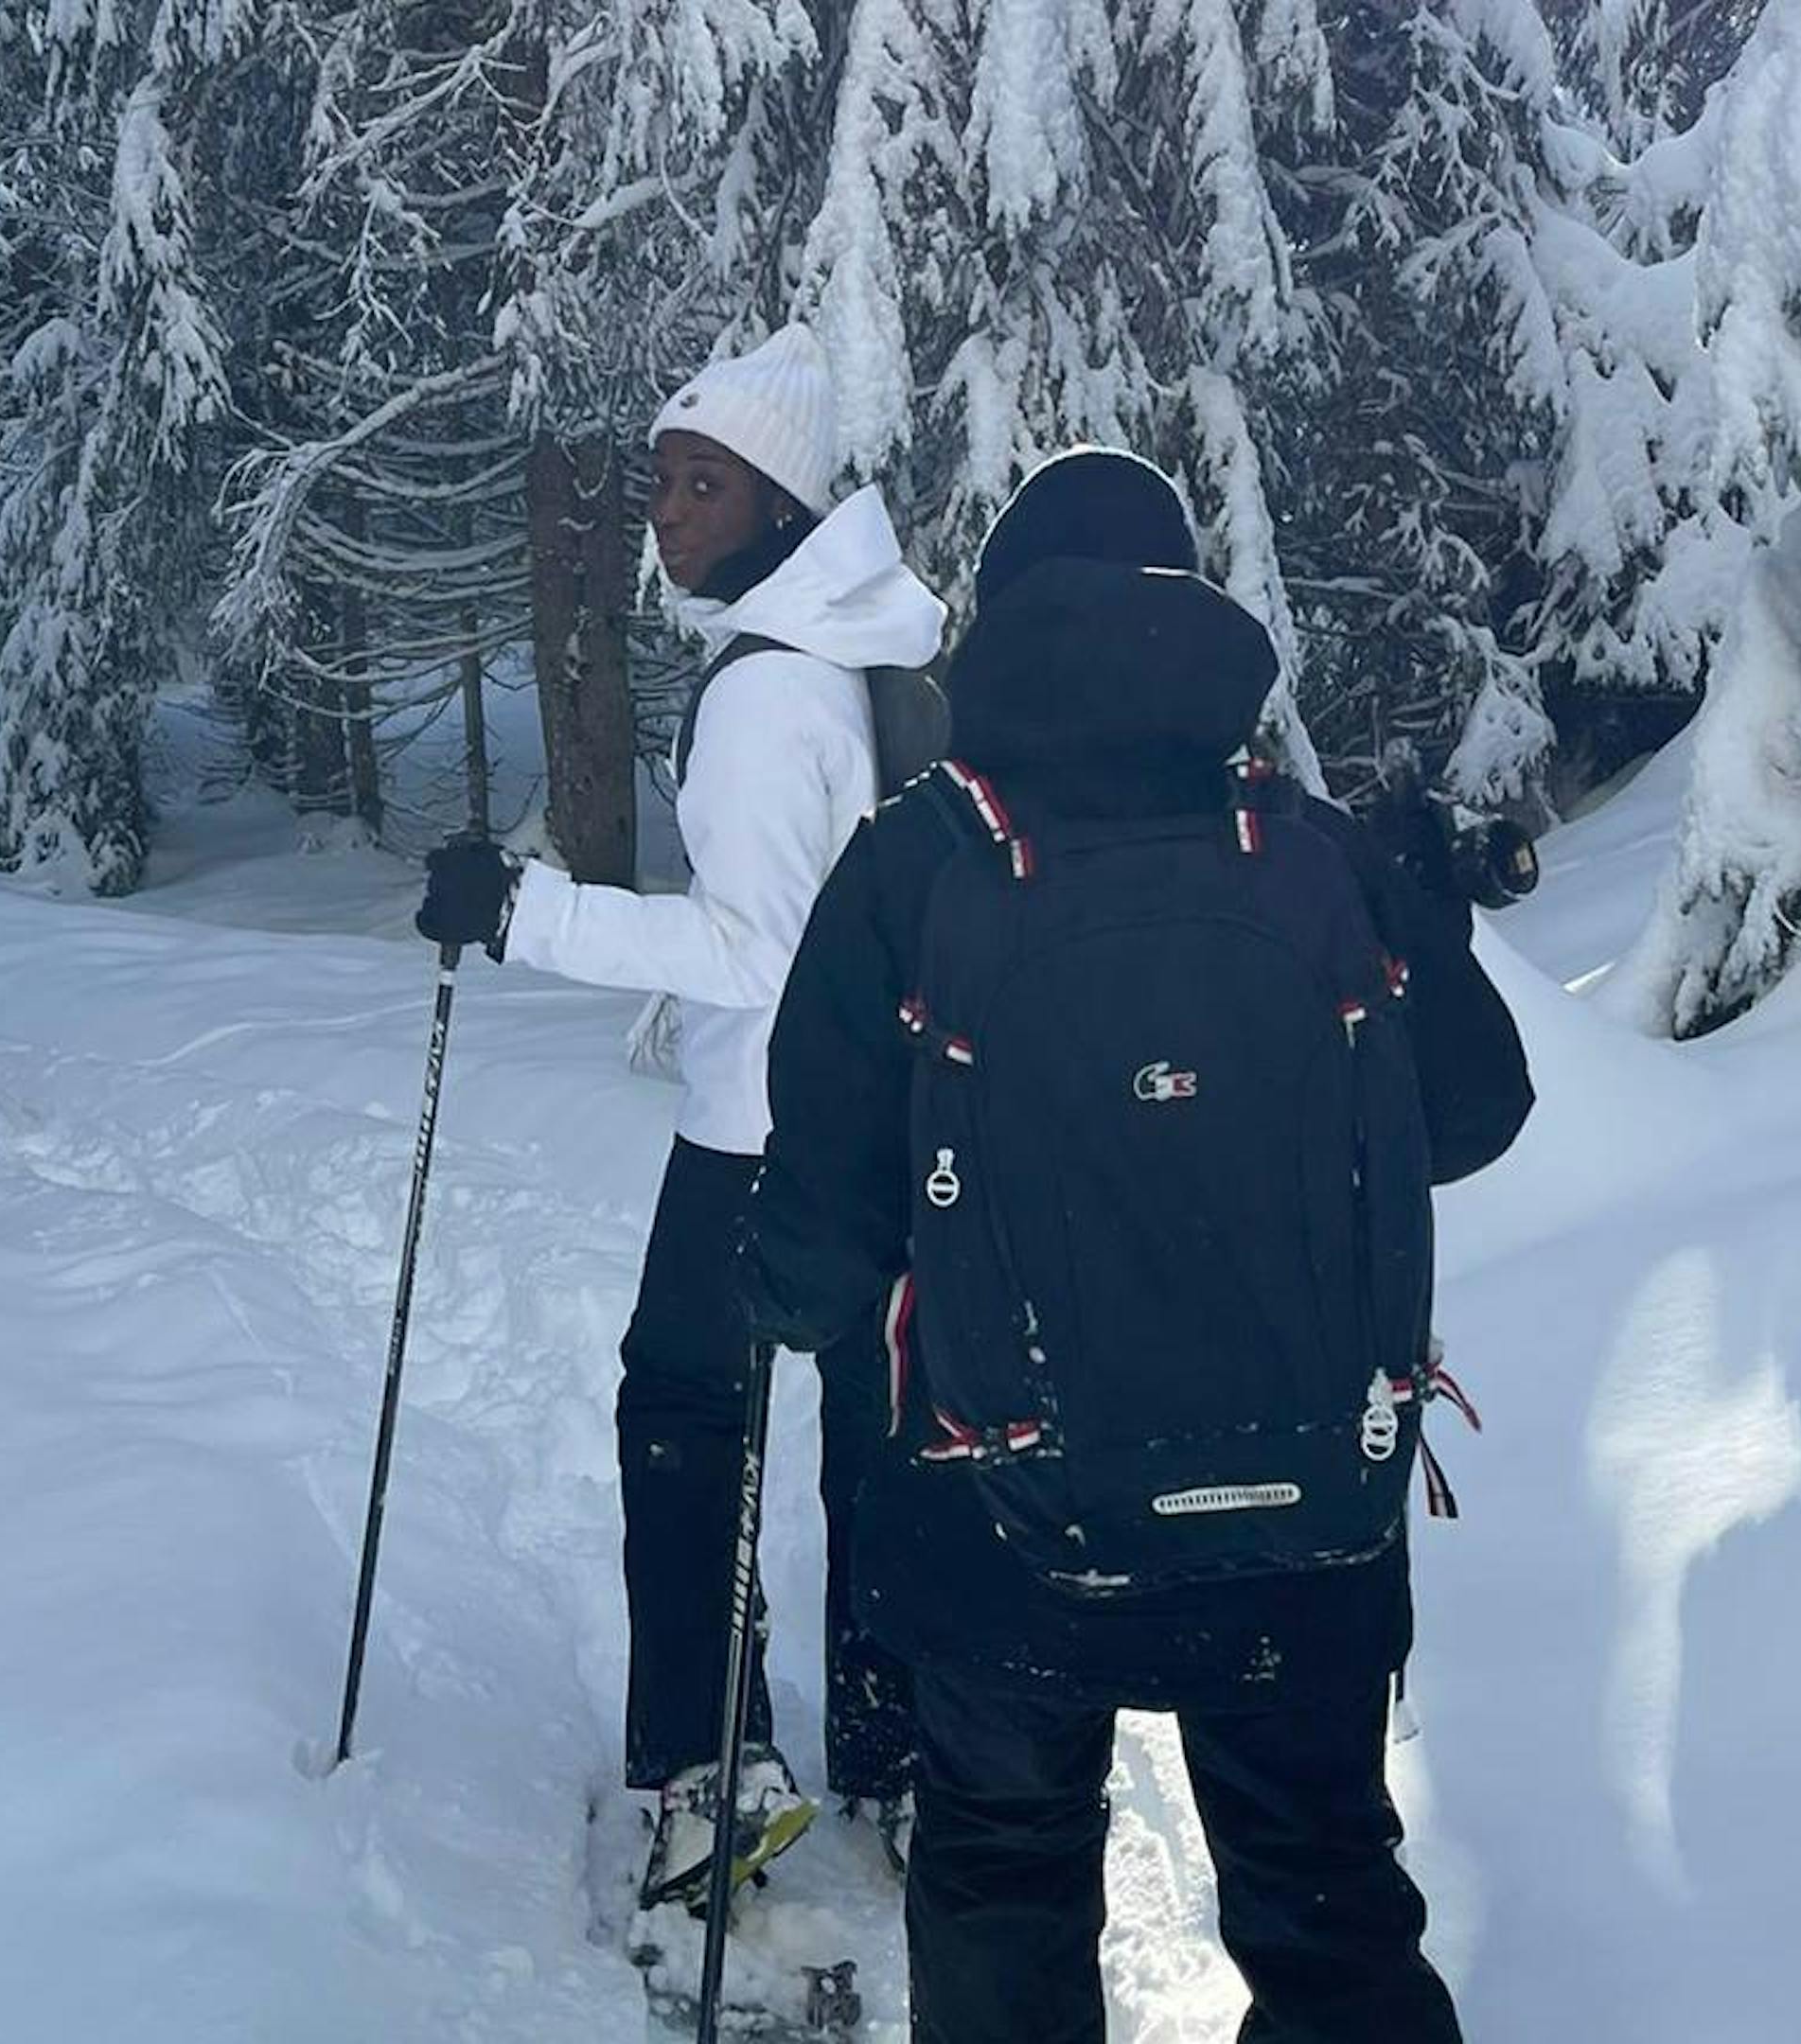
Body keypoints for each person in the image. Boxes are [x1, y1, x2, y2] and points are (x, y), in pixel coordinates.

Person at [734, 449, 1536, 2041]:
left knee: (1012, 1876)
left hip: (1000, 1519)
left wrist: (776, 1292)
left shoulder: (913, 865)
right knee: (1323, 1889)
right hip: (1308, 1503)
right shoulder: (1304, 851)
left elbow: (823, 1234)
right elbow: (1474, 1111)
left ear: (1004, 626)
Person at [411, 324, 946, 1909]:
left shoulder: (774, 693)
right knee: (877, 1433)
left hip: (766, 1127)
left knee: (685, 1410)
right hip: (889, 1129)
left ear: (780, 504)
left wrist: (525, 913)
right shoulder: (873, 660)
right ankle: (899, 1750)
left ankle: (710, 1768)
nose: (665, 512)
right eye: (657, 482)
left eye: (701, 485)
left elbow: (754, 953)